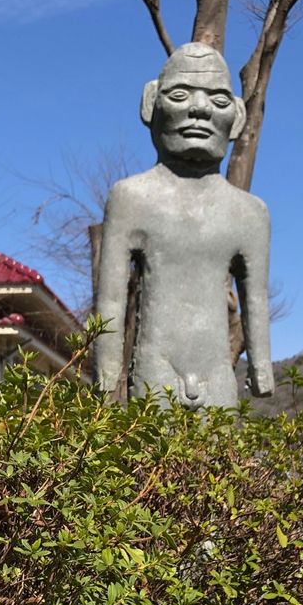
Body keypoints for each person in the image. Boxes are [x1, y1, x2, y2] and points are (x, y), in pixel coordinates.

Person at [94, 43, 273, 408]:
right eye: (180, 94)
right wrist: (106, 366)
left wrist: (262, 367)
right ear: (151, 103)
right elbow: (110, 297)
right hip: (155, 364)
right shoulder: (131, 198)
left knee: (220, 461)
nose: (200, 109)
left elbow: (255, 297)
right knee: (154, 461)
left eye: (218, 100)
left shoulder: (249, 213)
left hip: (217, 371)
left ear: (237, 117)